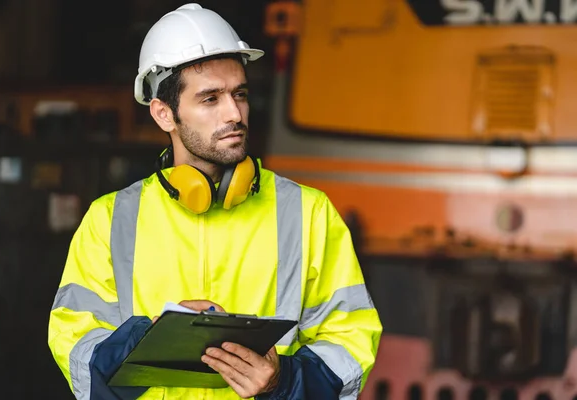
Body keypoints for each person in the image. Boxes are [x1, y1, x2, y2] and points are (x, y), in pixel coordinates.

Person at [48, 3, 382, 399]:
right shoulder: (110, 220)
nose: (235, 113)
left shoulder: (307, 212)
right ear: (164, 113)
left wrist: (284, 381)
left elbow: (352, 340)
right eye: (210, 99)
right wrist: (146, 338)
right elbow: (75, 350)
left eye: (239, 94)